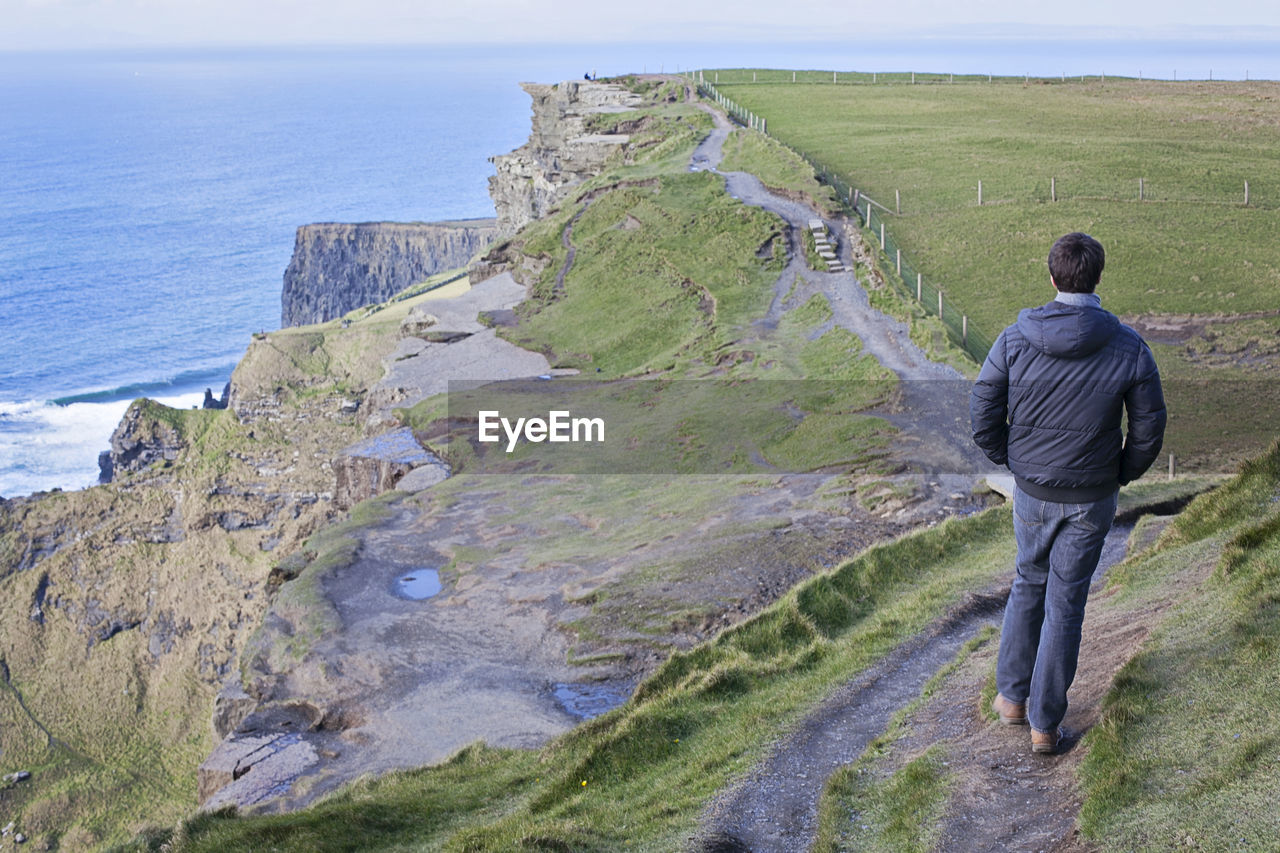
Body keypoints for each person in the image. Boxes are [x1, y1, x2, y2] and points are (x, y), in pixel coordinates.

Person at [970, 232, 1166, 754]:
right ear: (1097, 278)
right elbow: (1149, 428)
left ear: (1052, 277)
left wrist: (1013, 462)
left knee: (1027, 582)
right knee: (1066, 602)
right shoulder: (1129, 347)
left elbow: (982, 410)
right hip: (1092, 494)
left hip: (1033, 490)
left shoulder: (1014, 339)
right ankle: (1044, 725)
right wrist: (1120, 473)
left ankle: (1012, 699)